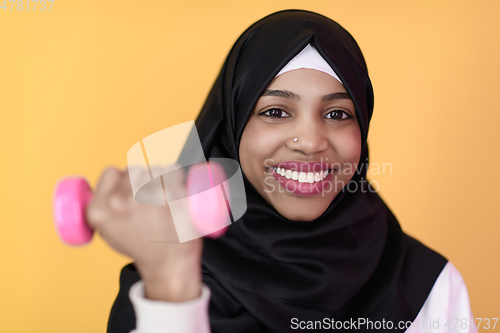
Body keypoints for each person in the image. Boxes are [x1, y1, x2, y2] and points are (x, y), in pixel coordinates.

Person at [90, 9, 477, 333]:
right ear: (232, 127)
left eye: (338, 113)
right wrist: (172, 288)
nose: (310, 141)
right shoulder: (158, 282)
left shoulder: (429, 286)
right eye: (275, 112)